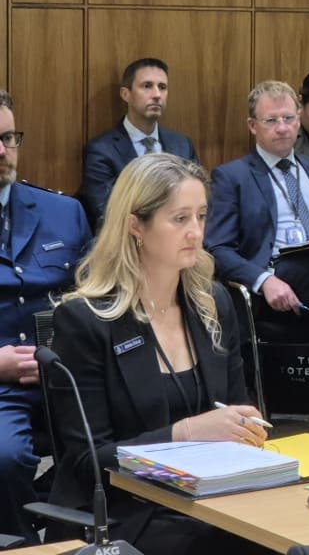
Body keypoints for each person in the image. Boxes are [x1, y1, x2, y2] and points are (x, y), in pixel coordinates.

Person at [50, 153, 270, 553]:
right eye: (180, 219)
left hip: (213, 499)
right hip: (127, 513)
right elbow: (87, 461)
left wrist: (245, 428)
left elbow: (237, 410)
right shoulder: (84, 321)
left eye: (201, 216)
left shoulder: (213, 303)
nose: (196, 232)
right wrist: (184, 434)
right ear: (136, 225)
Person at [0, 91, 91, 543]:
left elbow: (95, 296)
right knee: (5, 458)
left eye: (8, 138)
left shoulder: (63, 212)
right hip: (2, 385)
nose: (3, 151)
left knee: (132, 441)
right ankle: (21, 547)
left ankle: (77, 538)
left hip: (70, 375)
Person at [205, 81, 309, 338]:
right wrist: (264, 280)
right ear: (252, 126)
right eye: (271, 120)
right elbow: (218, 249)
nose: (282, 128)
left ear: (298, 120)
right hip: (279, 272)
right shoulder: (232, 177)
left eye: (288, 118)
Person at [78, 58, 199, 230]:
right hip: (128, 242)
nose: (157, 95)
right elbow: (107, 214)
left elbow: (198, 201)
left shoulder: (182, 145)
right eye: (147, 86)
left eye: (162, 87)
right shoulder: (101, 151)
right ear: (125, 94)